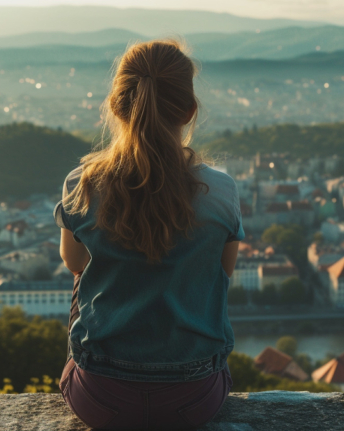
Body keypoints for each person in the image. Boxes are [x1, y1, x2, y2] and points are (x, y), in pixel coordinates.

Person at [54, 39, 243, 430]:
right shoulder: (222, 191)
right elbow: (223, 272)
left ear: (115, 106)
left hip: (101, 399)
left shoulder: (83, 184)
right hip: (193, 399)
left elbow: (74, 263)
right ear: (189, 111)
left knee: (82, 276)